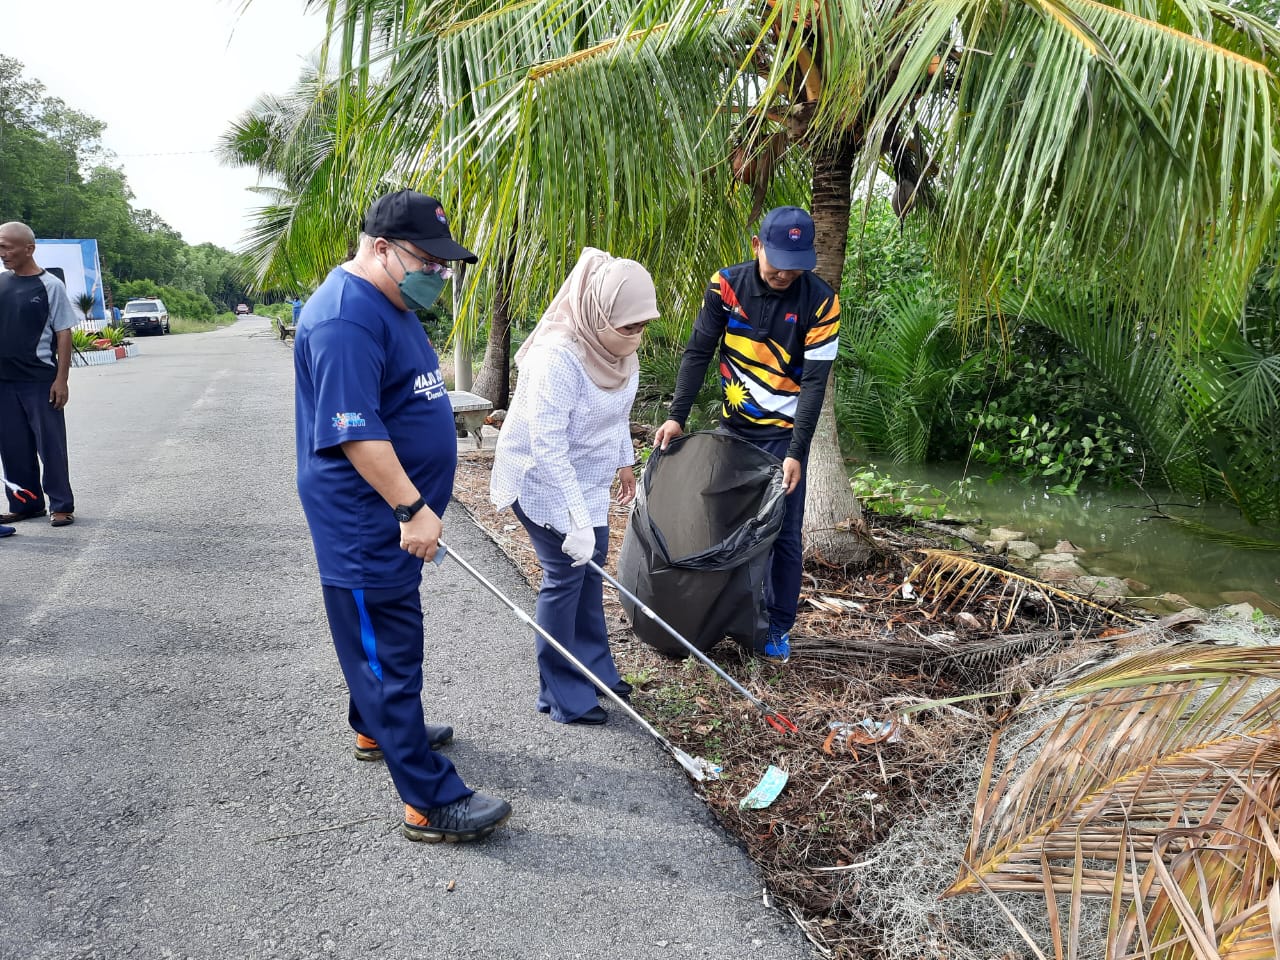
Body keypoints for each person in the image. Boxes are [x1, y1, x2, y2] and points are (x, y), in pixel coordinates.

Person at [293, 189, 512, 843]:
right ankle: (428, 801)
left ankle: (376, 726)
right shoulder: (344, 319)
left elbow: (408, 395)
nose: (436, 276)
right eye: (427, 261)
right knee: (390, 650)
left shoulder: (388, 301)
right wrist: (412, 506)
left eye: (444, 266)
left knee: (386, 646)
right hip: (366, 519)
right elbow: (355, 431)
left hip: (389, 514)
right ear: (381, 249)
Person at [653, 206, 840, 664]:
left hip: (784, 440)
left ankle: (776, 627)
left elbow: (815, 383)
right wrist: (678, 415)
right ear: (756, 245)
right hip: (732, 433)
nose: (785, 274)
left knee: (784, 536)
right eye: (777, 263)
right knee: (718, 525)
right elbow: (699, 351)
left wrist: (798, 451)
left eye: (796, 265)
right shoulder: (726, 287)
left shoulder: (821, 301)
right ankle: (717, 618)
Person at [490, 248, 658, 725]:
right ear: (598, 311)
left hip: (586, 474)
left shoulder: (621, 349)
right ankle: (561, 692)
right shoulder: (557, 357)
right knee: (566, 574)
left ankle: (596, 671)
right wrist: (576, 520)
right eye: (627, 326)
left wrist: (625, 461)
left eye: (642, 326)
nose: (635, 336)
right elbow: (547, 447)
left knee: (592, 569)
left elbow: (618, 413)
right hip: (540, 478)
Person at [0, 222, 78, 528]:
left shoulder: (50, 286)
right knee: (13, 447)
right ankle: (26, 503)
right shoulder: (2, 283)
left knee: (51, 446)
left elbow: (64, 333)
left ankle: (61, 505)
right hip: (4, 381)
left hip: (38, 380)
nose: (2, 253)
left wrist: (62, 379)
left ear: (28, 249)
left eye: (7, 246)